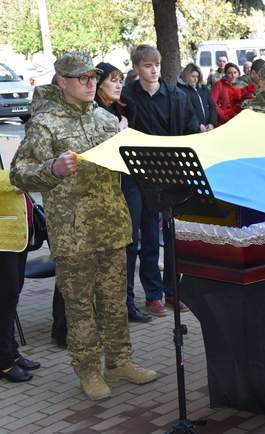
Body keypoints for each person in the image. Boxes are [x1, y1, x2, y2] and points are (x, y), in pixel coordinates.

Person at [10, 51, 157, 400]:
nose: (91, 83)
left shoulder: (107, 120)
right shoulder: (44, 124)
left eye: (93, 77)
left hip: (111, 225)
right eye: (82, 78)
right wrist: (52, 170)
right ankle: (88, 370)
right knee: (79, 307)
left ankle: (120, 361)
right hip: (73, 232)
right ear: (62, 82)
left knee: (115, 301)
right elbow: (19, 173)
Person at [121, 44, 199, 317]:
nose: (154, 70)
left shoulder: (176, 95)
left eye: (157, 65)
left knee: (174, 238)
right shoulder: (127, 97)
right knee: (149, 239)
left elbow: (191, 130)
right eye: (147, 65)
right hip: (138, 177)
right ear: (136, 68)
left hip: (171, 175)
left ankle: (172, 292)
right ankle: (153, 295)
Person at [94, 62, 152, 324]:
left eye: (120, 80)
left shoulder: (122, 109)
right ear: (98, 85)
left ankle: (127, 303)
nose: (119, 85)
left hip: (129, 183)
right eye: (112, 80)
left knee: (131, 244)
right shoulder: (93, 113)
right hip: (105, 189)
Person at [0, 165, 40, 383]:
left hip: (17, 235)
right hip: (2, 238)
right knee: (5, 300)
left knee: (11, 298)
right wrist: (21, 178)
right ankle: (4, 362)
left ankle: (11, 351)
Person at [178, 63, 217, 131]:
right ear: (186, 76)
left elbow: (212, 106)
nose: (196, 79)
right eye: (193, 76)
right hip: (191, 130)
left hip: (208, 128)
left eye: (197, 76)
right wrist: (198, 125)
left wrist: (212, 123)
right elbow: (185, 112)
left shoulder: (203, 89)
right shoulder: (181, 91)